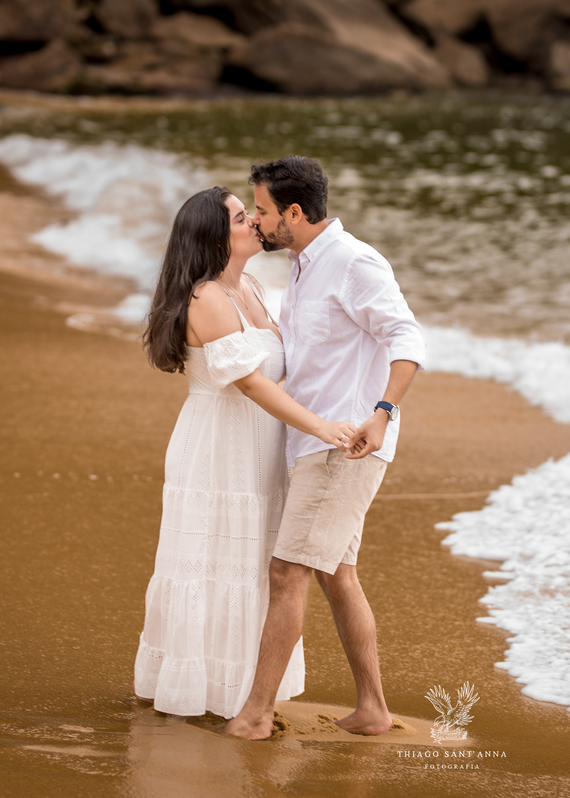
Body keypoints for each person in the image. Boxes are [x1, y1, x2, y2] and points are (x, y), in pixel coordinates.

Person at [133, 186, 358, 720]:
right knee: (213, 563)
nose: (255, 222)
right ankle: (198, 689)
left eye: (251, 213)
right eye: (241, 217)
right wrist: (322, 428)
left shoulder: (251, 286)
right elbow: (252, 385)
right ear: (216, 234)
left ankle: (238, 690)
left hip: (262, 446)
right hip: (218, 447)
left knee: (254, 565)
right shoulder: (206, 297)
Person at [224, 156, 425, 739]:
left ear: (293, 211)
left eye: (261, 210)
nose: (256, 220)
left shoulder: (354, 261)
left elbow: (405, 336)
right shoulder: (302, 263)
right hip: (314, 443)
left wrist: (383, 415)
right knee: (338, 572)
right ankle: (373, 710)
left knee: (288, 572)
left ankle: (255, 715)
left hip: (347, 443)